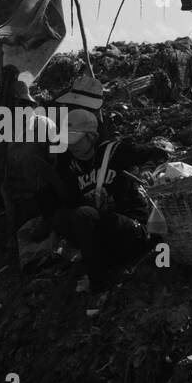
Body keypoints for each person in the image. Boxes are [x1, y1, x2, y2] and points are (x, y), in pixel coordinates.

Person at [43, 109, 168, 293]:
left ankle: (97, 282)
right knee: (63, 217)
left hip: (133, 230)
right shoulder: (71, 167)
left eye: (76, 140)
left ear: (92, 137)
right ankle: (100, 259)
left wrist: (146, 171)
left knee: (83, 215)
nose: (71, 146)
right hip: (105, 232)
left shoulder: (115, 152)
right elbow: (69, 202)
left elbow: (159, 154)